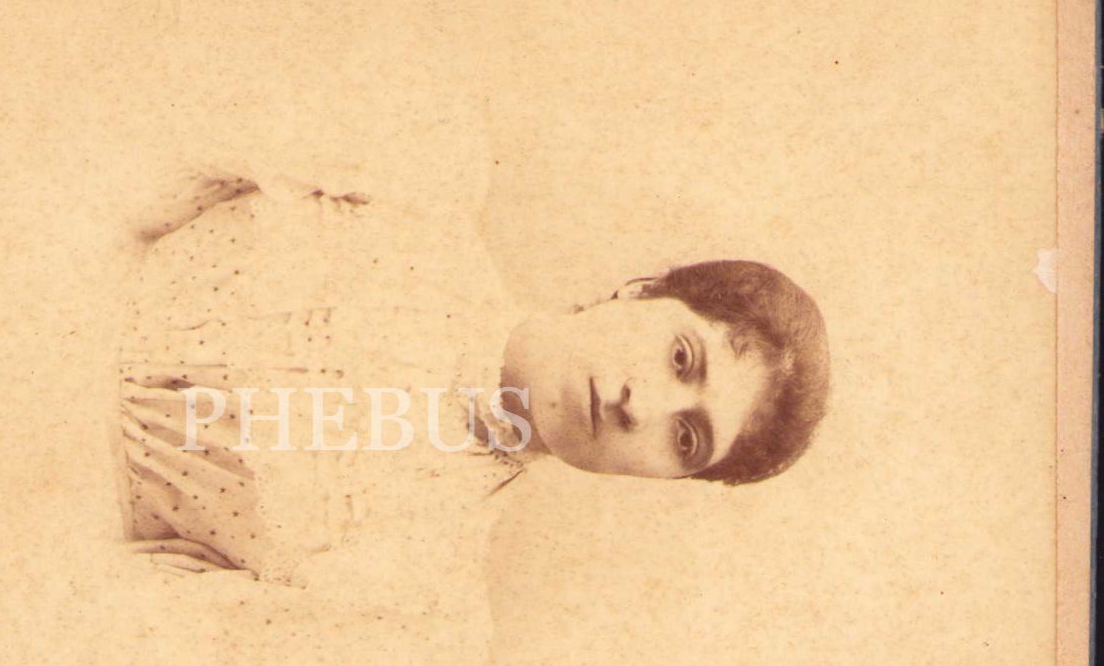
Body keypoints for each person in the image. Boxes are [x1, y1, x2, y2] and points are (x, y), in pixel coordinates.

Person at [114, 166, 830, 597]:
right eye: (680, 358)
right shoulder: (408, 184)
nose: (638, 406)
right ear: (642, 293)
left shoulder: (416, 594)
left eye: (686, 437)